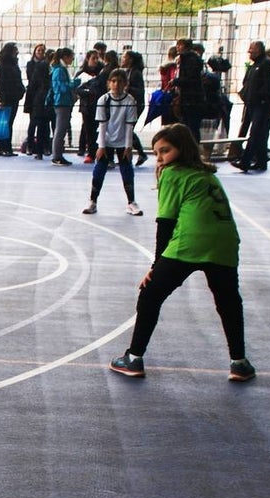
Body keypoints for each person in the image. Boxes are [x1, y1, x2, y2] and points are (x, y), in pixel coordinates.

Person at [109, 123, 254, 382]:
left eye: (165, 150)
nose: (161, 158)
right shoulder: (208, 174)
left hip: (190, 242)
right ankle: (239, 362)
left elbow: (165, 223)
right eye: (157, 153)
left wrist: (155, 267)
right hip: (226, 242)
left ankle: (133, 357)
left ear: (181, 149)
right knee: (229, 301)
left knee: (150, 295)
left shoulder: (173, 174)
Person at [80, 69, 141, 217]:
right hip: (105, 140)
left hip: (122, 140)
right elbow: (102, 125)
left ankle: (131, 202)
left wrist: (128, 146)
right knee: (99, 170)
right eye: (113, 81)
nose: (116, 84)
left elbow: (129, 126)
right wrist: (101, 146)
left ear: (125, 84)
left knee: (127, 170)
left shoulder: (130, 101)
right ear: (109, 83)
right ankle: (93, 201)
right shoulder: (103, 100)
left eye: (120, 81)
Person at [233, 41, 270, 174]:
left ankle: (245, 162)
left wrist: (260, 98)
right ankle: (261, 162)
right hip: (251, 104)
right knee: (260, 134)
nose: (249, 52)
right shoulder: (255, 65)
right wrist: (245, 95)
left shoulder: (266, 63)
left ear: (258, 50)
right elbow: (247, 83)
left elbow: (268, 85)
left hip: (260, 105)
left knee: (255, 133)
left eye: (251, 49)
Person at [48, 48, 81, 166]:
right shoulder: (59, 70)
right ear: (65, 57)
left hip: (65, 102)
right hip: (61, 102)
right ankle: (56, 156)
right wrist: (75, 83)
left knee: (61, 129)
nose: (72, 59)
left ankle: (58, 154)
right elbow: (61, 88)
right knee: (60, 130)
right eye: (71, 56)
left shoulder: (62, 69)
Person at [0, 42, 25, 156]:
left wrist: (21, 91)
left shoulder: (13, 64)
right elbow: (0, 84)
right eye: (15, 50)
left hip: (14, 97)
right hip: (7, 98)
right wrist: (2, 99)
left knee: (9, 123)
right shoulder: (2, 65)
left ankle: (8, 148)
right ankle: (4, 148)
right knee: (6, 123)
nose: (17, 52)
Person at [172, 38, 206, 143]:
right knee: (188, 125)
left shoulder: (190, 59)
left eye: (180, 45)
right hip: (189, 98)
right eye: (177, 45)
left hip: (192, 99)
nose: (177, 47)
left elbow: (190, 78)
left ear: (186, 46)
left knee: (191, 126)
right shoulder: (186, 58)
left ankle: (193, 150)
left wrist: (176, 81)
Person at [22, 43, 50, 158]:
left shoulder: (47, 65)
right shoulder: (31, 64)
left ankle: (45, 146)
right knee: (33, 123)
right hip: (34, 96)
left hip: (44, 97)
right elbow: (31, 80)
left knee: (45, 124)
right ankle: (30, 145)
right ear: (35, 52)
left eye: (42, 51)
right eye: (38, 51)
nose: (40, 53)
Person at [120, 49, 148, 166]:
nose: (122, 58)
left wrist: (128, 89)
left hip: (135, 106)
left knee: (128, 130)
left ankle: (139, 153)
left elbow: (140, 91)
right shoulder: (128, 71)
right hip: (130, 105)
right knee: (126, 130)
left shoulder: (135, 73)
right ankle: (138, 153)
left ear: (130, 59)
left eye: (124, 57)